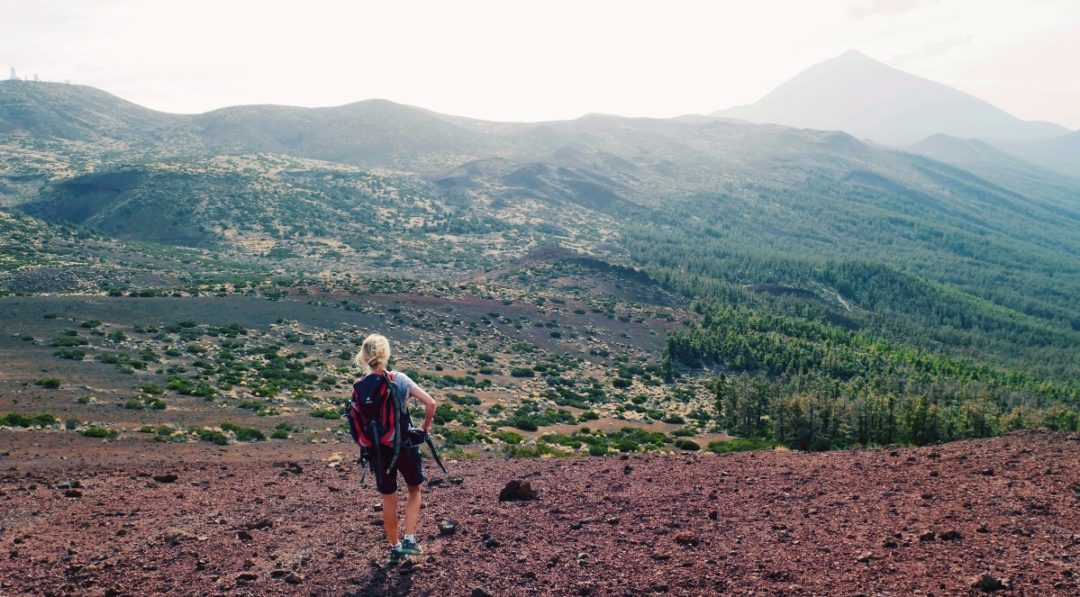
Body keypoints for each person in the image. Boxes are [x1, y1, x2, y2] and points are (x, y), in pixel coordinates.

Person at [353, 333, 437, 565]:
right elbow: (430, 403)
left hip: (378, 452)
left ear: (363, 356)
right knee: (414, 490)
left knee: (388, 498)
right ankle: (410, 539)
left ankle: (395, 547)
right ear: (386, 354)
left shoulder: (360, 387)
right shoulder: (398, 379)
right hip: (404, 446)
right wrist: (423, 428)